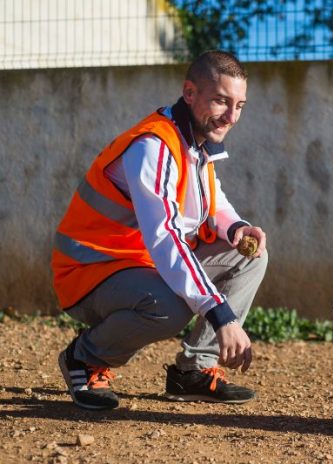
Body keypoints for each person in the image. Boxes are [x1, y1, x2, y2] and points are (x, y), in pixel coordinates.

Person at [51, 51, 268, 411]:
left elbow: (214, 202)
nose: (231, 117)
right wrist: (221, 314)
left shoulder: (197, 140)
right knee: (170, 306)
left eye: (240, 105)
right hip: (90, 272)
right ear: (189, 93)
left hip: (140, 265)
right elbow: (166, 237)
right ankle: (84, 356)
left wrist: (238, 228)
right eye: (220, 101)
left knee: (250, 257)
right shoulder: (153, 145)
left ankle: (194, 372)